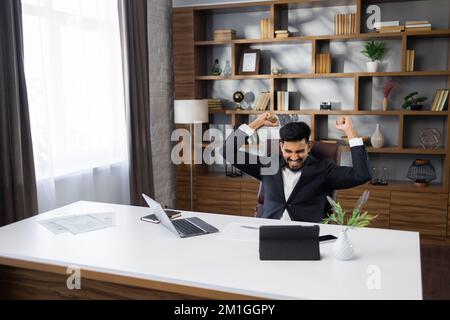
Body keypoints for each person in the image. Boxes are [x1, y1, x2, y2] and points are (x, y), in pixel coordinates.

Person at [220, 112, 371, 222]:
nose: (294, 157)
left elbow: (362, 175)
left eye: (300, 151)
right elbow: (227, 151)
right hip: (267, 231)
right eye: (288, 151)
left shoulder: (323, 170)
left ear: (309, 147)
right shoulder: (268, 165)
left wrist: (350, 132)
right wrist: (258, 123)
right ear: (281, 146)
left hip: (305, 235)